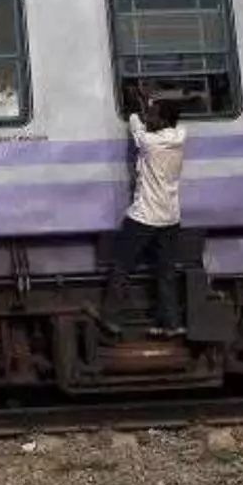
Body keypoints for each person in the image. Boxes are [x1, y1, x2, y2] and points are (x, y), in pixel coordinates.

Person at [97, 88, 186, 340]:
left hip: (144, 217)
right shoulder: (179, 136)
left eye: (154, 115)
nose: (150, 118)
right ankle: (170, 324)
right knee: (166, 273)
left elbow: (136, 125)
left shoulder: (150, 143)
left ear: (163, 120)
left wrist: (136, 109)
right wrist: (148, 102)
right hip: (171, 219)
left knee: (122, 266)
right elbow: (155, 123)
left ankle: (110, 318)